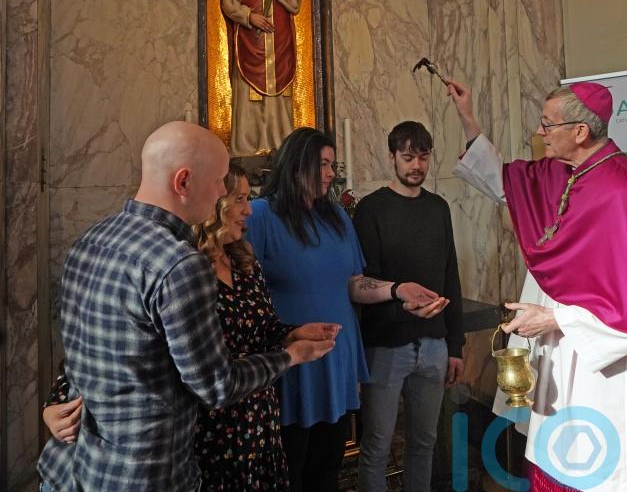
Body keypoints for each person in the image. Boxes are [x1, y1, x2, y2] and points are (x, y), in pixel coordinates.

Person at [37, 122, 334, 492]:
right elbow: (216, 386)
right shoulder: (179, 264)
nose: (223, 194)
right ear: (183, 182)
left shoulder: (90, 240)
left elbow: (86, 356)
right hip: (143, 474)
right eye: (219, 182)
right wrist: (290, 356)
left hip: (75, 469)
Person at [446, 79, 627, 491]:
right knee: (562, 453)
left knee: (605, 466)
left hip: (611, 369)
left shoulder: (620, 192)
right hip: (568, 350)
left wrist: (555, 317)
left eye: (548, 124)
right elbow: (506, 184)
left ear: (580, 132)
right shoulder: (568, 172)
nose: (540, 133)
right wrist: (468, 118)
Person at [246, 126, 448, 492]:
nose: (329, 173)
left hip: (335, 361)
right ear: (296, 165)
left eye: (331, 164)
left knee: (327, 470)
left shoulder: (336, 217)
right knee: (291, 470)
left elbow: (355, 284)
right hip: (292, 364)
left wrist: (398, 290)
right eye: (322, 164)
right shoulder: (261, 215)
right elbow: (245, 288)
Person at [354, 121, 465, 492]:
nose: (416, 165)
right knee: (377, 445)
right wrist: (404, 307)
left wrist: (456, 346)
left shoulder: (438, 208)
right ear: (392, 158)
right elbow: (364, 280)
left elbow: (451, 275)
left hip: (433, 344)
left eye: (423, 156)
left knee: (424, 443)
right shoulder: (371, 210)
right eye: (407, 157)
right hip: (385, 346)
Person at [222, 0, 301, 156]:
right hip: (251, 43)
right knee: (249, 97)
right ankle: (247, 149)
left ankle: (280, 147)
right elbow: (227, 1)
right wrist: (249, 16)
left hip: (279, 47)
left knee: (278, 98)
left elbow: (296, 5)